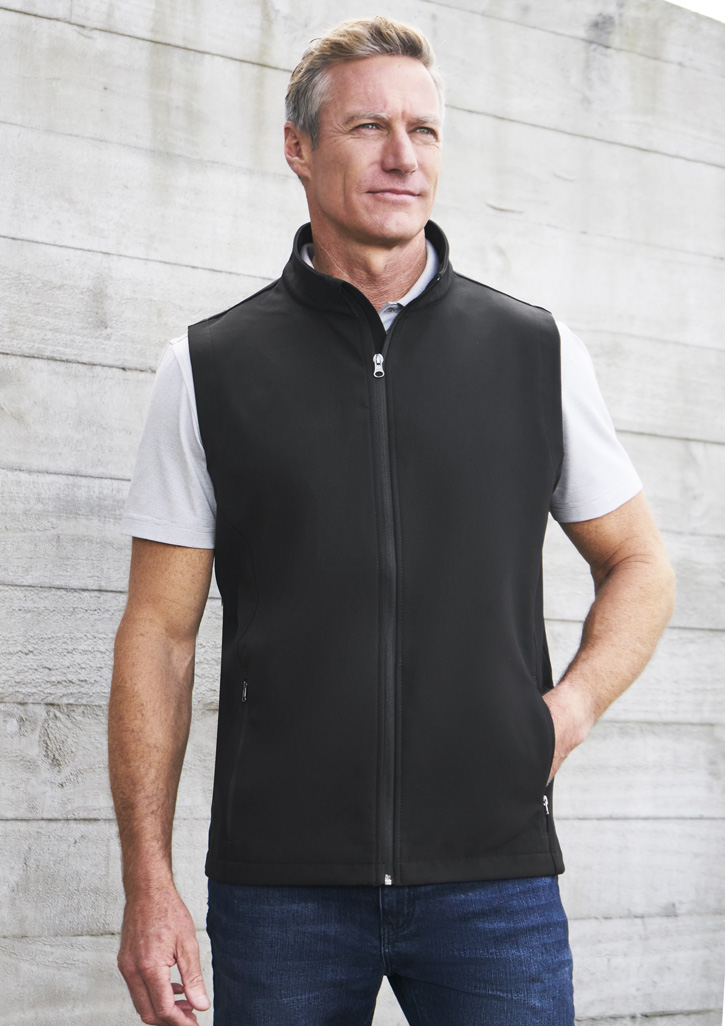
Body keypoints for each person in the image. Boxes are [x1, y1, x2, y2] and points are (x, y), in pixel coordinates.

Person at [109, 16, 676, 1026]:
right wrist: (147, 884)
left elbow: (639, 563)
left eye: (423, 129)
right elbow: (159, 634)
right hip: (280, 888)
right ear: (298, 147)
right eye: (368, 126)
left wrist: (567, 712)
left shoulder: (535, 352)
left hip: (493, 883)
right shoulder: (208, 367)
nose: (402, 156)